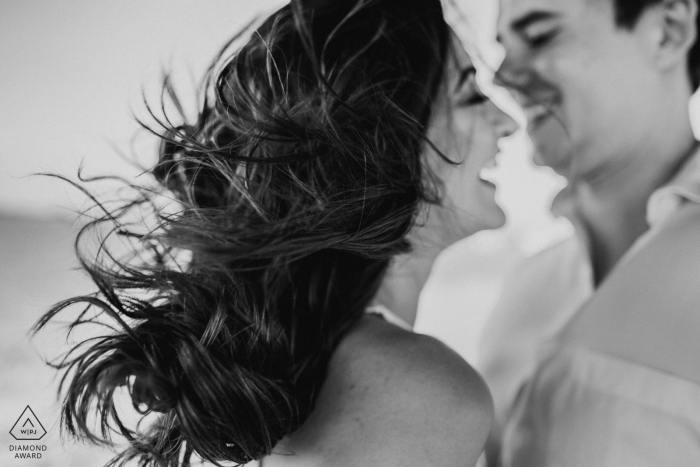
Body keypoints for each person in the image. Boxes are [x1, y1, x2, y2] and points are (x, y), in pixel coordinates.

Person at [35, 0, 517, 466]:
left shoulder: (307, 368)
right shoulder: (420, 395)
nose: (508, 122)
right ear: (388, 143)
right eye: (471, 95)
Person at [479, 0, 700, 465]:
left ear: (668, 31)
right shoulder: (522, 290)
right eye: (503, 47)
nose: (502, 77)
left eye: (539, 36)